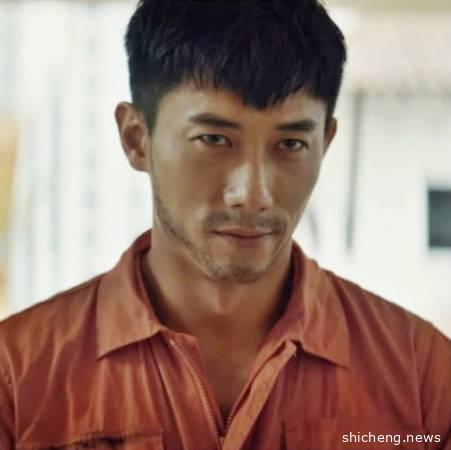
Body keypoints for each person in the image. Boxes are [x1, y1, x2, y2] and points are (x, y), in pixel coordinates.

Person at [1, 0, 450, 449]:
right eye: (214, 139)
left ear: (325, 144)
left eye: (291, 144)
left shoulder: (422, 377)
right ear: (137, 139)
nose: (253, 193)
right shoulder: (16, 380)